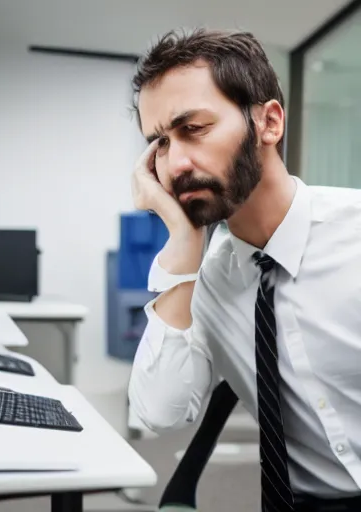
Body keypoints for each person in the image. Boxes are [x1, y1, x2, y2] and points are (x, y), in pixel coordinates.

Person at [128, 27, 361, 512]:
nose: (176, 165)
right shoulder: (207, 279)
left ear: (268, 123)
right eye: (160, 145)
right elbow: (161, 414)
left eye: (193, 128)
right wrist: (182, 239)